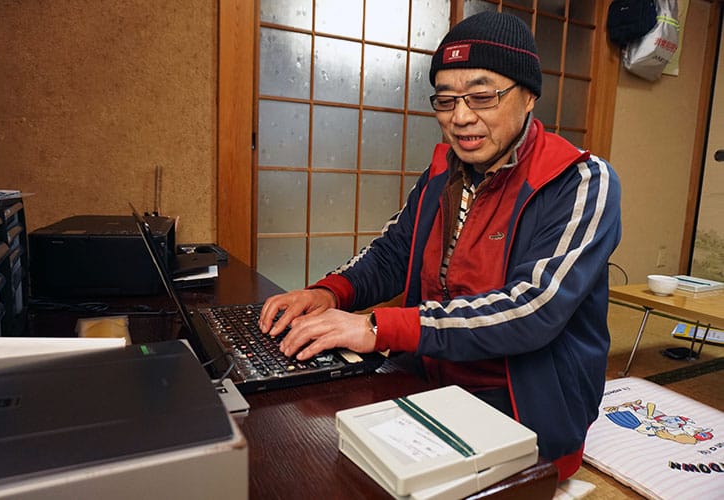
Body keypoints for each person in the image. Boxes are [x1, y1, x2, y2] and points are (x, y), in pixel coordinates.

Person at [258, 11, 621, 481]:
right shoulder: (443, 171)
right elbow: (393, 252)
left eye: (483, 97)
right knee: (307, 446)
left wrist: (377, 326)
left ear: (530, 95)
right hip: (427, 377)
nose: (461, 117)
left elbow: (533, 310)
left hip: (523, 407)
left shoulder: (579, 180)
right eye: (446, 100)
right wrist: (330, 293)